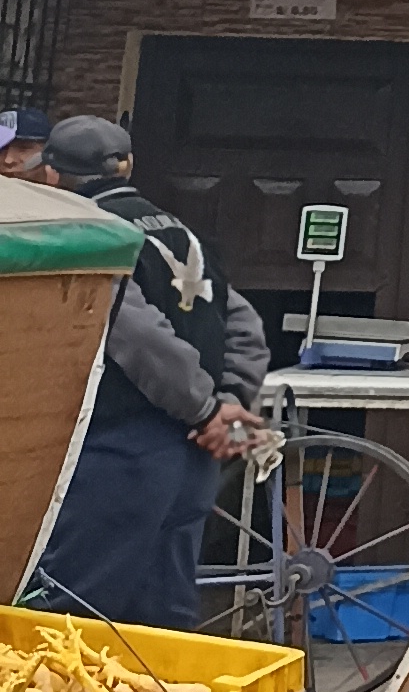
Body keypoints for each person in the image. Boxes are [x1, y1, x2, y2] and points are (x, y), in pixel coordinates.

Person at [26, 116, 269, 630]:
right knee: (163, 615)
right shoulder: (186, 234)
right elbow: (244, 327)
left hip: (123, 454)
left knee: (72, 611)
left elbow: (137, 336)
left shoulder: (91, 241)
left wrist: (207, 410)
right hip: (195, 459)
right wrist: (228, 406)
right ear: (129, 165)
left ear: (52, 176)